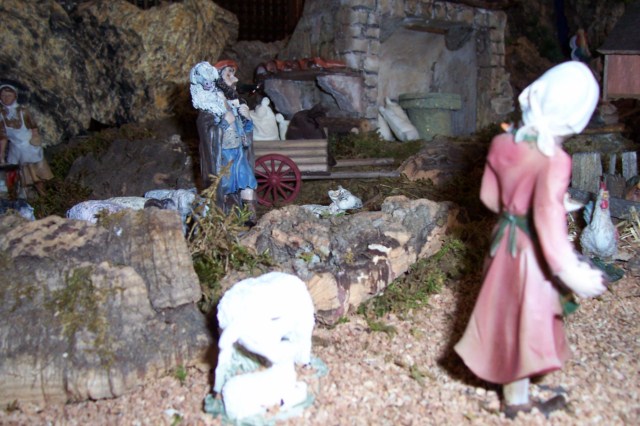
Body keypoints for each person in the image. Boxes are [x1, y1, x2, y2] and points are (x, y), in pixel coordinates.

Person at [454, 62, 607, 419]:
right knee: (527, 323)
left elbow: (491, 198)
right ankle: (517, 400)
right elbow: (549, 230)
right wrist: (572, 273)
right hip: (530, 253)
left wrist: (528, 202)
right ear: (577, 118)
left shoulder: (501, 142)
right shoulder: (555, 161)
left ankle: (517, 391)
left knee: (506, 316)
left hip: (502, 240)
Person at [190, 60, 258, 224]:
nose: (235, 79)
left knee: (247, 182)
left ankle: (249, 216)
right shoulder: (209, 108)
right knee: (224, 186)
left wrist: (247, 120)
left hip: (238, 154)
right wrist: (225, 123)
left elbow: (244, 130)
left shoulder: (233, 103)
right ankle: (224, 217)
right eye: (229, 74)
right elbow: (207, 133)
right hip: (223, 156)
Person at [0, 83, 53, 197]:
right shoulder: (1, 115)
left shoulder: (23, 111)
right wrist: (2, 154)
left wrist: (35, 138)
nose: (6, 98)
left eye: (9, 95)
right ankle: (27, 198)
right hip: (15, 149)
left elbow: (33, 126)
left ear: (15, 96)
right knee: (21, 177)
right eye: (3, 95)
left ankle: (44, 195)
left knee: (38, 175)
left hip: (29, 147)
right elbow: (3, 137)